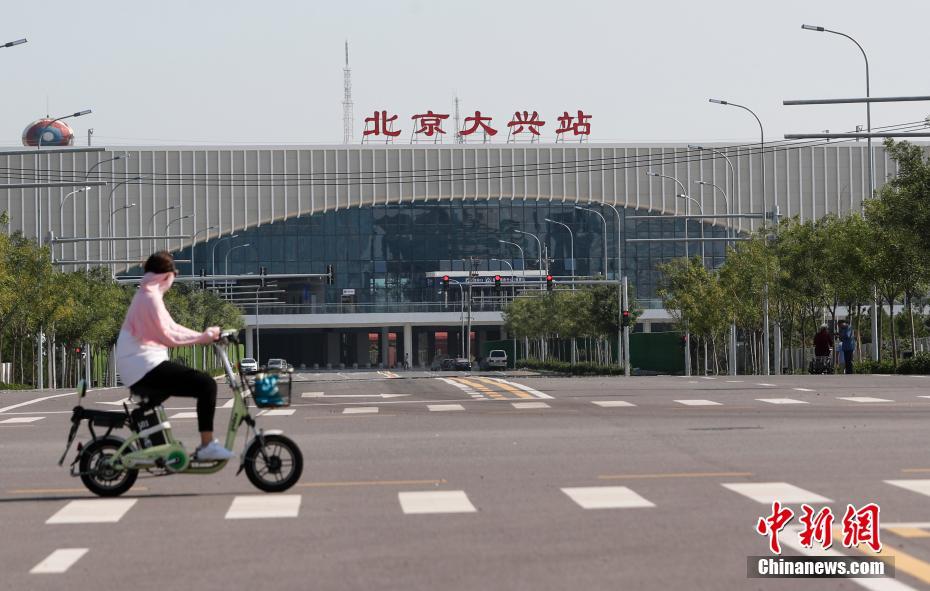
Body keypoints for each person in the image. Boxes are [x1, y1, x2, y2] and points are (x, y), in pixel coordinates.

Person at [115, 252, 233, 461]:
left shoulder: (148, 294)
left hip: (142, 365)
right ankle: (207, 445)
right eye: (175, 274)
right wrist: (203, 338)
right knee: (206, 385)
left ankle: (159, 448)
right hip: (144, 366)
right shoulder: (150, 298)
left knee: (181, 384)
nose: (174, 278)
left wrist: (204, 335)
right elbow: (168, 336)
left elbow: (172, 327)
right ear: (166, 276)